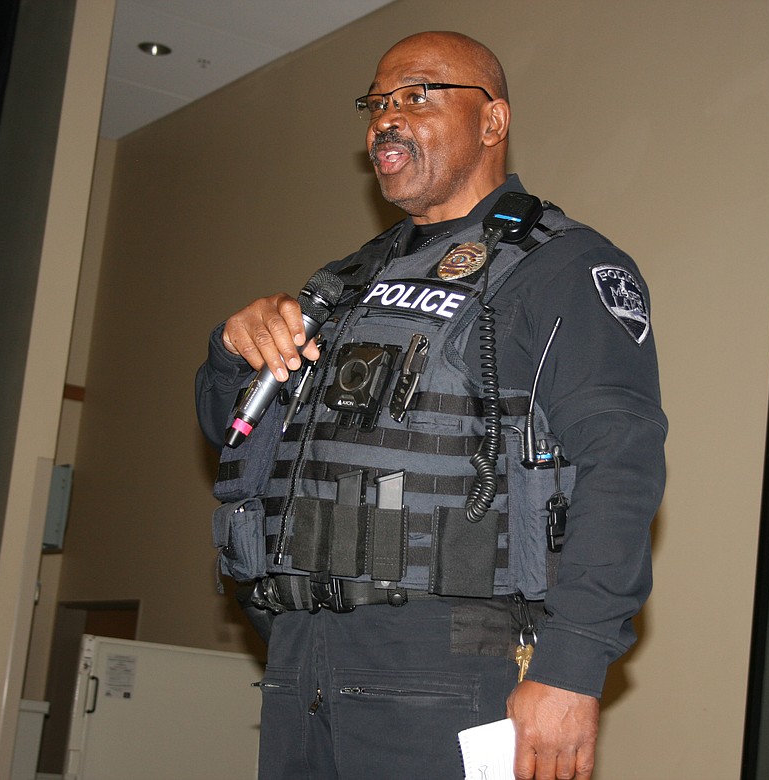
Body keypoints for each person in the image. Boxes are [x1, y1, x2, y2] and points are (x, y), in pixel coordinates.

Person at [195, 31, 666, 780]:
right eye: (376, 103)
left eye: (416, 94)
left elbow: (622, 466)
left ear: (492, 121)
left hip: (447, 667)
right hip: (301, 662)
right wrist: (230, 348)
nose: (386, 117)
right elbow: (241, 432)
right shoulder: (347, 281)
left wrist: (572, 666)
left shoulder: (565, 267)